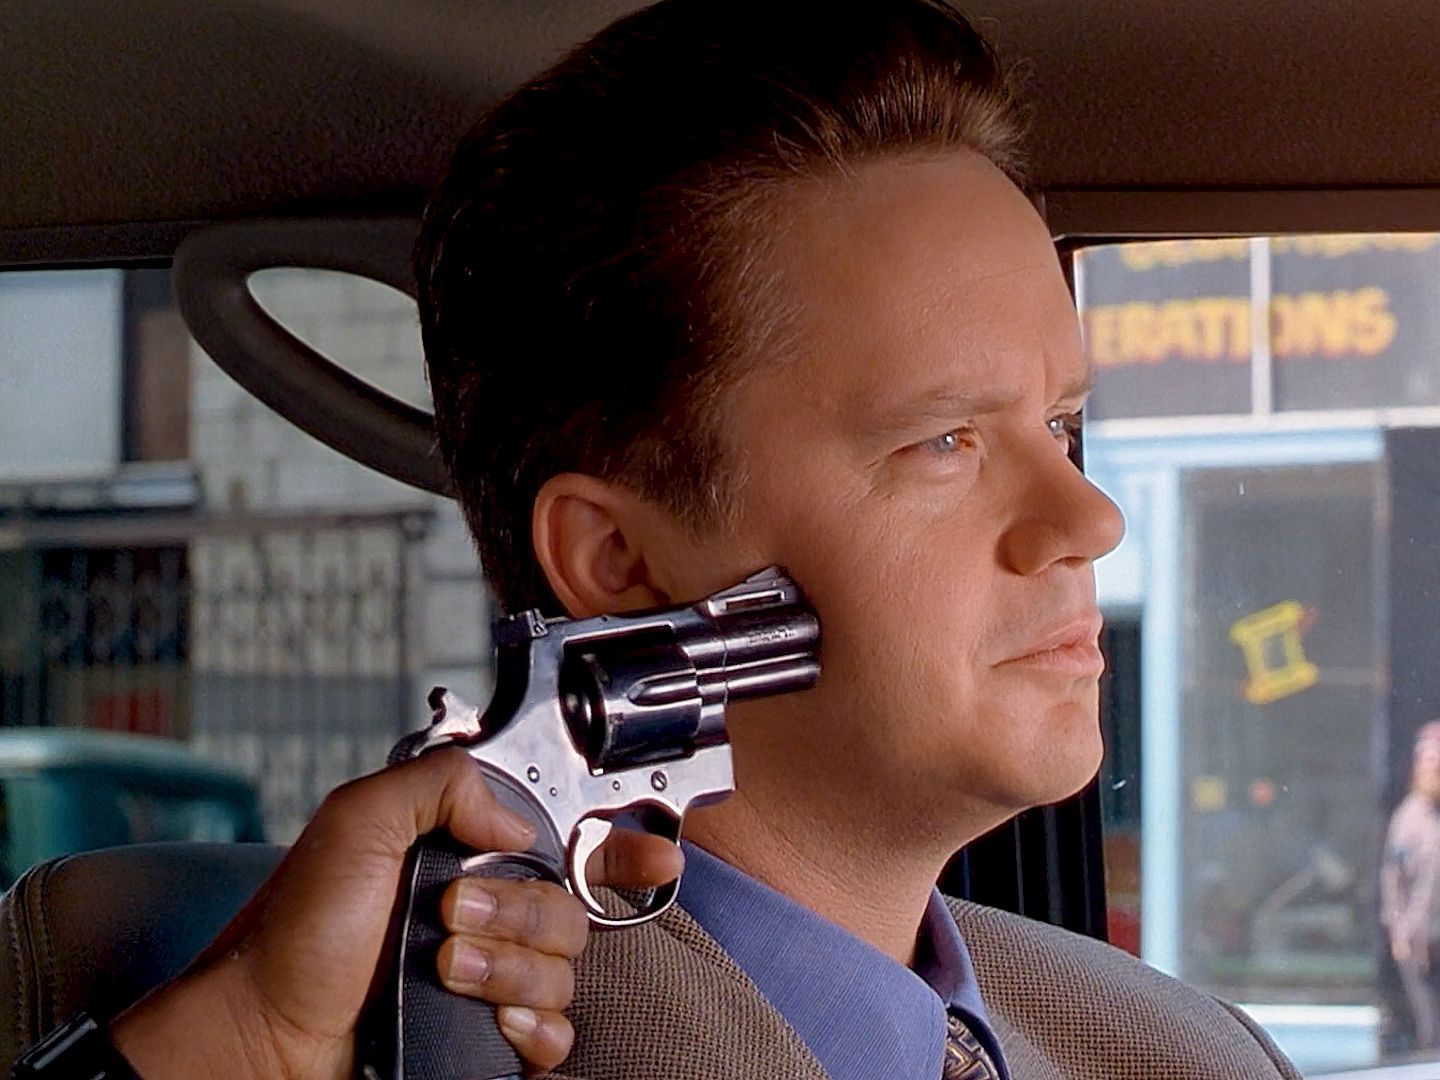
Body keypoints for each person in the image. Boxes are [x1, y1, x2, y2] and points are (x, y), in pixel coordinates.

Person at [100, 2, 1301, 1077]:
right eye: (943, 441)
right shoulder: (434, 1047)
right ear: (620, 562)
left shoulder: (1183, 1052)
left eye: (1059, 423)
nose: (1092, 518)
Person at [1382, 721, 1440, 1050]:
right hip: (1421, 945)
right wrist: (1400, 933)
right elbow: (1393, 880)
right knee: (1431, 1030)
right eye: (1428, 761)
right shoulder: (1409, 818)